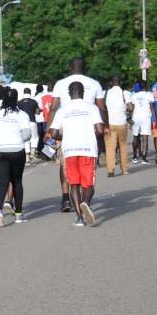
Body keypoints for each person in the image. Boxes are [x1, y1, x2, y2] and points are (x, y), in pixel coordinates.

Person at [44, 57, 109, 213]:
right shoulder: (95, 83)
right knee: (86, 167)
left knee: (65, 162)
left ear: (70, 68)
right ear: (84, 68)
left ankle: (66, 198)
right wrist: (106, 126)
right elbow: (102, 108)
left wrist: (48, 131)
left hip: (66, 125)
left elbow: (53, 108)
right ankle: (85, 200)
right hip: (88, 127)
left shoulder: (60, 83)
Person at [49, 81, 104, 227]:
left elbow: (53, 134)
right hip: (88, 149)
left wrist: (66, 137)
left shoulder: (63, 110)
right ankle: (85, 202)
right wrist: (89, 135)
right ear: (83, 92)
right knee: (88, 183)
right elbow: (100, 130)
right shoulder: (92, 108)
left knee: (74, 183)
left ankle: (79, 217)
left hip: (69, 150)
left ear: (68, 94)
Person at [0, 89, 33, 227]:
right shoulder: (22, 114)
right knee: (17, 181)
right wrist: (16, 139)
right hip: (17, 149)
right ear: (16, 99)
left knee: (2, 182)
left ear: (3, 99)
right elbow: (27, 135)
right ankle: (18, 214)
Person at [104, 75, 130, 177]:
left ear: (111, 83)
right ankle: (125, 169)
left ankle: (111, 168)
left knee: (110, 146)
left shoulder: (105, 93)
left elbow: (102, 108)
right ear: (121, 83)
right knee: (123, 146)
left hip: (110, 122)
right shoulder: (125, 93)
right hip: (122, 122)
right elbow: (131, 107)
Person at [130, 80, 157, 164]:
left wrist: (130, 120)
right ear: (146, 86)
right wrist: (155, 119)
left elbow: (131, 108)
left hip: (136, 117)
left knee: (136, 137)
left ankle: (135, 157)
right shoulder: (149, 94)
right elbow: (152, 107)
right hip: (146, 117)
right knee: (145, 138)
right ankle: (144, 158)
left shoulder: (134, 95)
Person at [17, 88, 42, 164]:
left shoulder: (19, 102)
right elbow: (38, 112)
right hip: (32, 121)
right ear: (30, 93)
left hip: (23, 123)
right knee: (35, 138)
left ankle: (27, 159)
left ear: (23, 93)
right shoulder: (33, 101)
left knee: (25, 139)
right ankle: (32, 153)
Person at [33, 84, 48, 156]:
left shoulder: (35, 98)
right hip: (46, 117)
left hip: (38, 118)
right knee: (46, 134)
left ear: (36, 90)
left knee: (40, 135)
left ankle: (39, 150)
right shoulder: (46, 96)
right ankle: (47, 152)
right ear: (43, 89)